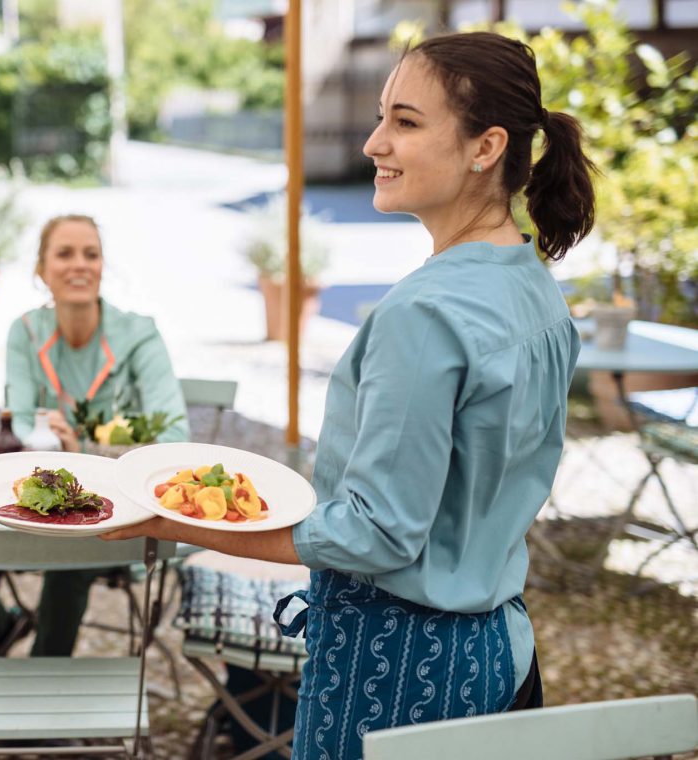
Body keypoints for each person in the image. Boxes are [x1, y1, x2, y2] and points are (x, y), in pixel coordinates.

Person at [104, 31, 595, 760]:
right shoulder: (533, 285)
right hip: (498, 652)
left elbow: (376, 533)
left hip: (398, 671)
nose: (372, 143)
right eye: (379, 117)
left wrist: (177, 523)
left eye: (405, 121)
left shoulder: (423, 314)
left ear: (485, 147)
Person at [0, 214, 189, 657]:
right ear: (41, 270)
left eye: (91, 255)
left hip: (124, 507)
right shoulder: (25, 332)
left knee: (72, 552)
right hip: (40, 498)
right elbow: (16, 424)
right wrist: (47, 441)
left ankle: (39, 688)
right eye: (65, 254)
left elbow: (176, 434)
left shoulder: (139, 335)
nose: (80, 265)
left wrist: (83, 450)